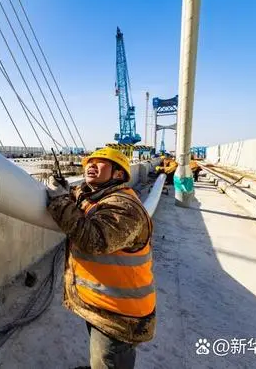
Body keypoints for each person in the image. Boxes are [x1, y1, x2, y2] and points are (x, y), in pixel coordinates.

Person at [46, 148, 156, 369]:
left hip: (121, 315)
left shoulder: (125, 207)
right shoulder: (99, 196)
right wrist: (69, 193)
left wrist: (59, 201)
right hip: (103, 305)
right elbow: (84, 201)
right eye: (89, 162)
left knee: (110, 359)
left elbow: (94, 241)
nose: (91, 165)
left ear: (117, 174)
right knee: (101, 355)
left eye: (101, 162)